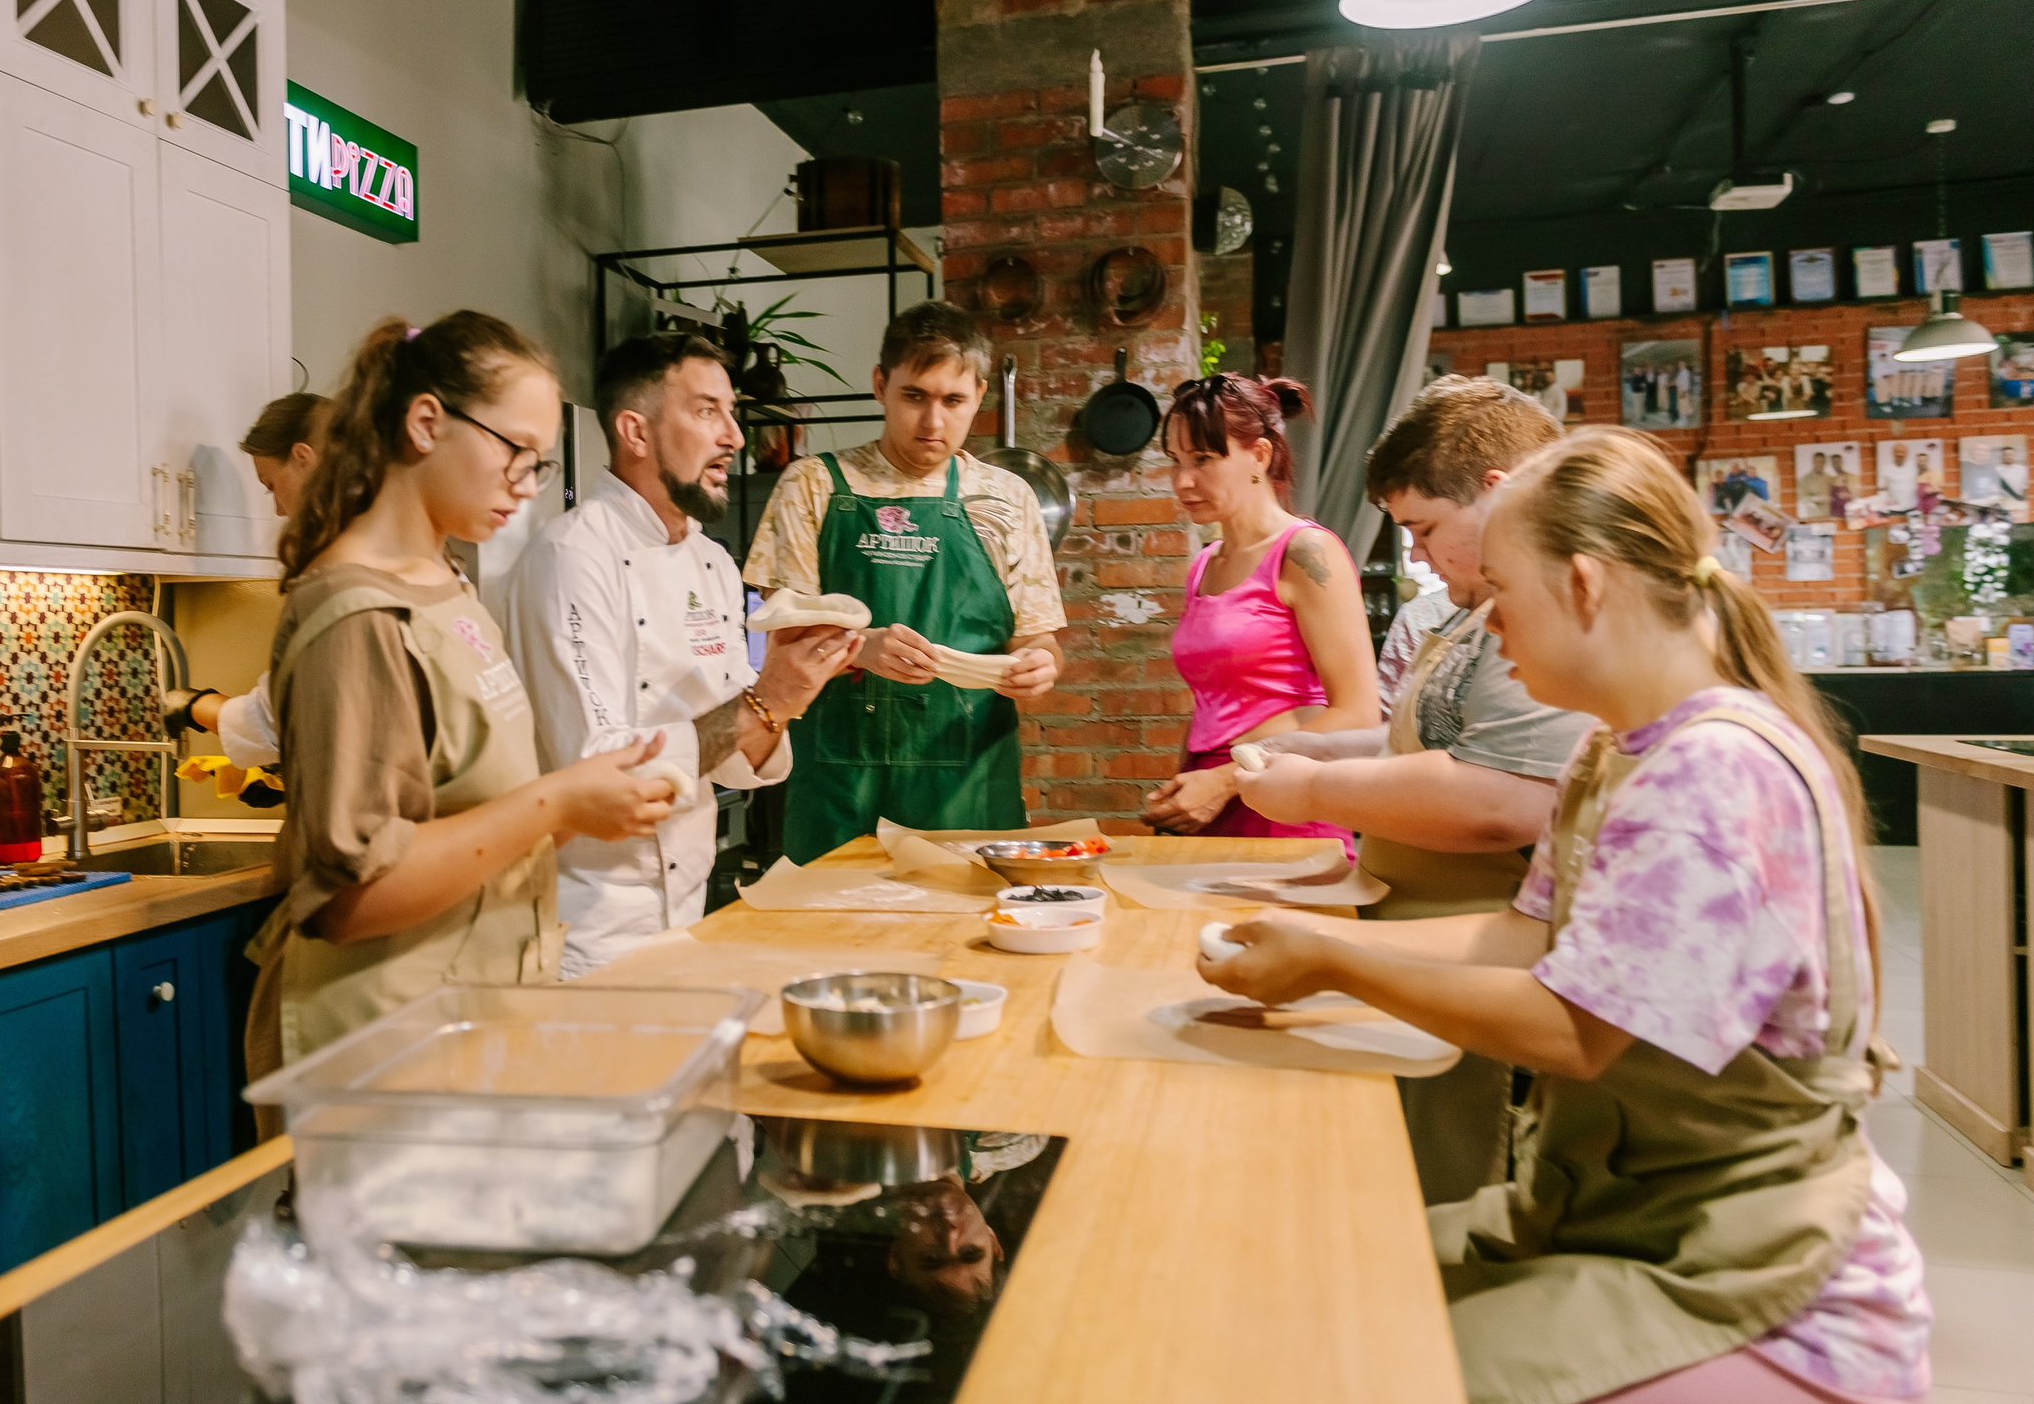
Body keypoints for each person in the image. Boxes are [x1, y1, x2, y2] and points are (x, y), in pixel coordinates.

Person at [1202, 427, 1929, 1404]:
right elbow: (1532, 936)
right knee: (1299, 1291)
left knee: (1343, 1399)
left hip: (1761, 1292)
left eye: (1501, 590)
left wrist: (1335, 965)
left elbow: (1574, 1027)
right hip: (1618, 1222)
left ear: (1584, 584)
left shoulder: (1712, 771)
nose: (1487, 619)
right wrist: (1318, 946)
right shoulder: (1611, 750)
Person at [245, 314, 678, 1105]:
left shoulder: (448, 586)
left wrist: (584, 804)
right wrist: (558, 803)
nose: (526, 482)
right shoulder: (357, 614)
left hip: (467, 1021)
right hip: (385, 1049)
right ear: (425, 423)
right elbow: (351, 895)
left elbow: (467, 809)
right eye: (516, 451)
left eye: (540, 463)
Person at [1228, 376, 1594, 1201]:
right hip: (1423, 930)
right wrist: (1310, 750)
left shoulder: (1528, 616)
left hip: (1471, 942)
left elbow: (1504, 799)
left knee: (1445, 1178)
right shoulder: (1471, 611)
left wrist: (1314, 790)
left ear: (1498, 494)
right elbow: (1421, 738)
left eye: (1424, 529)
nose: (1418, 555)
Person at [500, 333, 862, 974]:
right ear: (635, 432)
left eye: (731, 412)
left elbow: (737, 766)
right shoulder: (571, 556)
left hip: (688, 915)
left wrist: (788, 694)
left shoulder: (713, 562)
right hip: (587, 931)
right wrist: (764, 701)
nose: (735, 437)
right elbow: (599, 773)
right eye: (705, 411)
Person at [742, 302, 1064, 860]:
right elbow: (783, 642)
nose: (932, 422)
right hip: (840, 784)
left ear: (979, 395)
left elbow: (1037, 637)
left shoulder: (1007, 500)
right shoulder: (813, 485)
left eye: (953, 401)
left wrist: (1041, 663)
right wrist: (862, 647)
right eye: (914, 396)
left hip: (967, 787)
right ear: (880, 385)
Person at [1142, 373, 1379, 841]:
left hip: (1283, 800)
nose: (1183, 481)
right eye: (1175, 461)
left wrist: (1225, 780)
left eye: (1204, 459)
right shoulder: (1206, 564)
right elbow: (1210, 704)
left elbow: (1358, 713)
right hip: (1208, 799)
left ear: (1260, 455)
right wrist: (1186, 788)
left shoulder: (1306, 551)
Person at [166, 390, 328, 771]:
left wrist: (194, 705)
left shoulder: (334, 571)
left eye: (271, 485)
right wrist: (281, 770)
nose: (279, 509)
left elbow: (273, 720)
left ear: (303, 458)